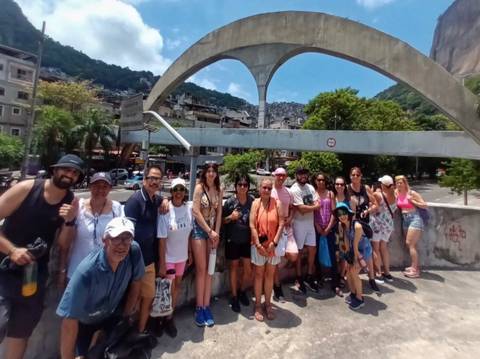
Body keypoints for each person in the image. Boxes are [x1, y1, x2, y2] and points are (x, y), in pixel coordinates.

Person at [0, 154, 82, 359]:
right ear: (55, 170)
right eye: (65, 169)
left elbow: (63, 244)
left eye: (74, 173)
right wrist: (12, 250)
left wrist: (70, 221)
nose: (69, 175)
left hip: (34, 276)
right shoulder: (28, 188)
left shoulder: (70, 201)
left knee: (21, 332)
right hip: (4, 270)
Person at [57, 217, 145, 359]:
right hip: (87, 324)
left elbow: (137, 281)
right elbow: (69, 320)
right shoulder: (87, 272)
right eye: (116, 239)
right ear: (105, 240)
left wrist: (126, 316)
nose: (122, 245)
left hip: (113, 317)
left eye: (127, 239)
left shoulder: (134, 251)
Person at [59, 172, 123, 285]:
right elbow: (65, 244)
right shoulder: (79, 207)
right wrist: (63, 269)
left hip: (105, 272)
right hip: (77, 272)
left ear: (110, 189)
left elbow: (123, 240)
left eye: (105, 187)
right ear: (90, 187)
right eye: (96, 186)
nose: (100, 190)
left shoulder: (117, 209)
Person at [124, 165, 164, 333]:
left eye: (157, 179)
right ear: (144, 180)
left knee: (148, 297)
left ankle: (140, 332)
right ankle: (125, 334)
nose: (154, 182)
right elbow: (127, 235)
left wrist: (166, 200)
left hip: (149, 261)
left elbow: (164, 201)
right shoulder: (135, 201)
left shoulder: (155, 200)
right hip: (133, 261)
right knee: (131, 301)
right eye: (151, 178)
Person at [157, 178, 193, 337]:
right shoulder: (165, 210)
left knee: (177, 286)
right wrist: (162, 262)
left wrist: (190, 253)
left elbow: (190, 234)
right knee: (166, 289)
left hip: (182, 257)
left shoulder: (189, 208)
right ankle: (160, 318)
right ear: (171, 192)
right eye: (175, 189)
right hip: (169, 257)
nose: (179, 192)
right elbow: (162, 239)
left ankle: (169, 317)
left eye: (181, 189)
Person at [191, 162, 223, 327]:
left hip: (212, 233)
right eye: (208, 171)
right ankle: (199, 307)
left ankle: (206, 305)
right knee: (202, 269)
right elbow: (195, 211)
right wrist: (209, 232)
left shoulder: (218, 189)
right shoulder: (199, 188)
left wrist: (216, 233)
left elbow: (219, 214)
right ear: (205, 173)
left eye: (213, 171)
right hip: (200, 230)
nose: (211, 173)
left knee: (210, 270)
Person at [250, 178, 284, 321]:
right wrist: (258, 245)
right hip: (258, 245)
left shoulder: (277, 203)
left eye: (269, 188)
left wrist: (274, 243)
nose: (266, 190)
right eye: (264, 187)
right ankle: (258, 305)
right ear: (260, 189)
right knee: (258, 275)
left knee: (270, 275)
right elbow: (252, 225)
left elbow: (282, 223)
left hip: (272, 246)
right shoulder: (255, 203)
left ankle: (268, 304)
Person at [222, 175, 254, 313]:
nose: (242, 187)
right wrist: (231, 217)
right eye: (240, 184)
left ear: (248, 187)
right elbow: (222, 221)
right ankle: (234, 296)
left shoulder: (252, 201)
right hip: (232, 239)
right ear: (235, 186)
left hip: (247, 240)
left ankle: (242, 291)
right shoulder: (229, 202)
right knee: (233, 268)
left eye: (245, 184)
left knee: (248, 269)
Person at [333, 203, 372, 310]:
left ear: (349, 213)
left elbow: (355, 245)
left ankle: (360, 299)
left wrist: (355, 260)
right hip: (352, 250)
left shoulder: (357, 226)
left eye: (344, 213)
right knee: (348, 273)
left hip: (362, 251)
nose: (342, 216)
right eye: (339, 214)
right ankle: (353, 294)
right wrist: (347, 257)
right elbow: (344, 241)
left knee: (354, 273)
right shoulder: (341, 225)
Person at [347, 167, 380, 292]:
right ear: (350, 176)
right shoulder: (347, 189)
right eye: (353, 175)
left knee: (368, 251)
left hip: (365, 224)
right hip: (352, 224)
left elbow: (376, 205)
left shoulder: (365, 188)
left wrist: (368, 210)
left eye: (357, 175)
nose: (355, 177)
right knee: (353, 251)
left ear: (361, 176)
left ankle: (371, 278)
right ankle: (351, 278)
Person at [290, 167, 320, 294]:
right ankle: (299, 277)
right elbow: (301, 210)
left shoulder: (310, 187)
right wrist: (314, 206)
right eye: (300, 174)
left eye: (305, 174)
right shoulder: (294, 189)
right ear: (296, 175)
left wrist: (310, 207)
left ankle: (309, 275)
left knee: (312, 249)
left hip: (309, 224)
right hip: (299, 224)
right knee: (300, 251)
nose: (303, 176)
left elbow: (317, 204)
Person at [270, 167, 298, 302]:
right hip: (274, 228)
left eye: (283, 175)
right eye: (278, 175)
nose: (281, 177)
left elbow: (293, 208)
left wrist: (290, 218)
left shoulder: (289, 192)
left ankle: (279, 274)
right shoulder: (269, 191)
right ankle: (277, 287)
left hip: (287, 228)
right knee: (275, 260)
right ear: (274, 176)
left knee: (293, 255)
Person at [395, 175, 427, 278]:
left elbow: (424, 205)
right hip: (405, 219)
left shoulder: (411, 193)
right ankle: (413, 265)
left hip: (415, 218)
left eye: (401, 182)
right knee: (410, 244)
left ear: (405, 183)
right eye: (397, 183)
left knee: (410, 243)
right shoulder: (397, 193)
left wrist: (412, 201)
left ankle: (415, 270)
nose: (399, 184)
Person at [313, 173, 340, 296]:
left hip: (329, 229)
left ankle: (336, 283)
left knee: (333, 256)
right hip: (316, 228)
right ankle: (319, 279)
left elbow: (334, 213)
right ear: (315, 181)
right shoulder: (313, 194)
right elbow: (312, 212)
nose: (321, 182)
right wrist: (318, 226)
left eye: (323, 179)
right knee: (316, 255)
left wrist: (329, 228)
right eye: (318, 180)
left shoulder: (330, 194)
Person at [370, 175, 397, 282]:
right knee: (384, 248)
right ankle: (387, 273)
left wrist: (372, 190)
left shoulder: (378, 195)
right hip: (388, 225)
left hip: (378, 225)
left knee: (375, 249)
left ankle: (378, 273)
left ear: (383, 185)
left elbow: (371, 201)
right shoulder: (395, 195)